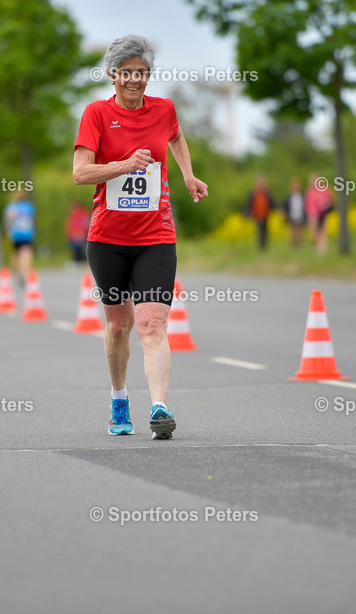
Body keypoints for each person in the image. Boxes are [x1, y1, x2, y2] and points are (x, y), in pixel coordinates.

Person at [73, 34, 209, 439]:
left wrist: (186, 173)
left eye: (142, 73)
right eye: (127, 72)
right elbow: (80, 173)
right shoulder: (96, 114)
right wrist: (124, 164)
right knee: (118, 327)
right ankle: (119, 398)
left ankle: (160, 408)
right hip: (108, 238)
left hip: (156, 236)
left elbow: (176, 135)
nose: (135, 80)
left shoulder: (163, 109)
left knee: (152, 325)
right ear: (113, 76)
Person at [3, 191, 35, 286]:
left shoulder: (12, 207)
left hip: (15, 233)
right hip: (27, 232)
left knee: (16, 253)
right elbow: (32, 220)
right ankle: (24, 271)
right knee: (26, 252)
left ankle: (18, 271)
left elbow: (8, 220)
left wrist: (7, 230)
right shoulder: (29, 207)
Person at [304, 174, 334, 255]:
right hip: (312, 214)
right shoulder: (309, 191)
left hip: (323, 213)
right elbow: (307, 204)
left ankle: (322, 250)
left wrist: (327, 205)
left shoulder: (325, 189)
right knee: (314, 232)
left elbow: (330, 200)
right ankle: (316, 246)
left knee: (323, 232)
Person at [245, 175, 275, 251]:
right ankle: (260, 246)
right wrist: (246, 213)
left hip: (265, 214)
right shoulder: (253, 193)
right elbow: (249, 204)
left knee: (265, 231)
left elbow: (273, 202)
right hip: (257, 215)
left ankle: (264, 246)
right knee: (259, 231)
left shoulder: (267, 193)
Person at [283, 178, 307, 248]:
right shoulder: (289, 197)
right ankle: (293, 245)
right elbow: (284, 206)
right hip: (292, 216)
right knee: (292, 232)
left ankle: (300, 245)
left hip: (300, 216)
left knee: (300, 232)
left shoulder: (302, 196)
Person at [65, 201, 90, 266]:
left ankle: (80, 259)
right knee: (74, 245)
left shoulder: (82, 215)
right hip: (74, 236)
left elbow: (84, 226)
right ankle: (78, 259)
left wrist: (80, 234)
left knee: (78, 245)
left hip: (81, 235)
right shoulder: (72, 216)